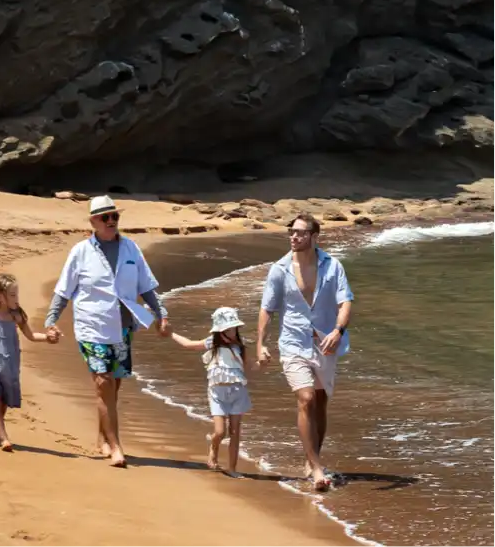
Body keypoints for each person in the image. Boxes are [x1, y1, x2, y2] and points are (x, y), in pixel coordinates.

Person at [44, 195, 170, 467]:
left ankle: (102, 437)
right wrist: (51, 319)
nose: (111, 221)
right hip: (92, 326)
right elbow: (63, 290)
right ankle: (116, 447)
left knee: (114, 386)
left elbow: (146, 286)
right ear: (93, 221)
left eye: (115, 217)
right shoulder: (81, 251)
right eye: (105, 217)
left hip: (123, 326)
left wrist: (161, 314)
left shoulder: (130, 248)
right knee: (103, 384)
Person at [256, 212, 354, 492]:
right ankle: (318, 469)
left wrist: (338, 331)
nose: (294, 236)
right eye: (291, 232)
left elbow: (345, 301)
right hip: (293, 343)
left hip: (325, 342)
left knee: (320, 402)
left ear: (314, 236)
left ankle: (312, 460)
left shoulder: (333, 266)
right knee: (305, 397)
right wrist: (261, 343)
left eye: (300, 232)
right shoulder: (279, 269)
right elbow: (267, 308)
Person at [0, 272, 58, 451]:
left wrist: (48, 338)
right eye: (13, 295)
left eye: (17, 295)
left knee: (5, 399)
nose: (17, 299)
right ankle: (4, 438)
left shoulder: (17, 316)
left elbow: (31, 335)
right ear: (0, 296)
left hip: (9, 365)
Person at [171, 306, 252, 474]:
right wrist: (171, 333)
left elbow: (250, 367)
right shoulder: (212, 343)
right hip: (217, 393)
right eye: (228, 329)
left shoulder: (240, 346)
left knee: (235, 431)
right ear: (219, 331)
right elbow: (189, 344)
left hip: (238, 391)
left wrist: (263, 363)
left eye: (234, 329)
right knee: (220, 431)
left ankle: (232, 468)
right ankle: (214, 448)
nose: (232, 332)